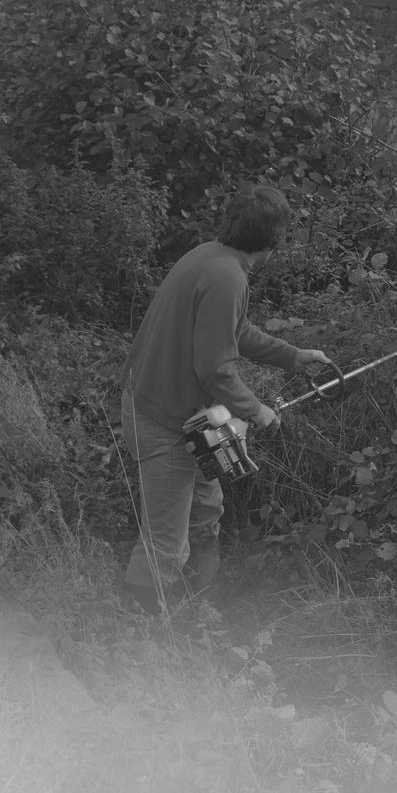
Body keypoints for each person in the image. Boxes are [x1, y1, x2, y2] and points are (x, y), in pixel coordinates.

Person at [119, 184, 330, 614]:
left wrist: (292, 356)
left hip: (182, 417)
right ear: (274, 241)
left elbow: (234, 333)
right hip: (165, 422)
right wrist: (257, 411)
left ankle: (200, 607)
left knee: (205, 512)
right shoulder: (227, 276)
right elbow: (214, 368)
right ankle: (140, 634)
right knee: (166, 546)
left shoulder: (211, 257)